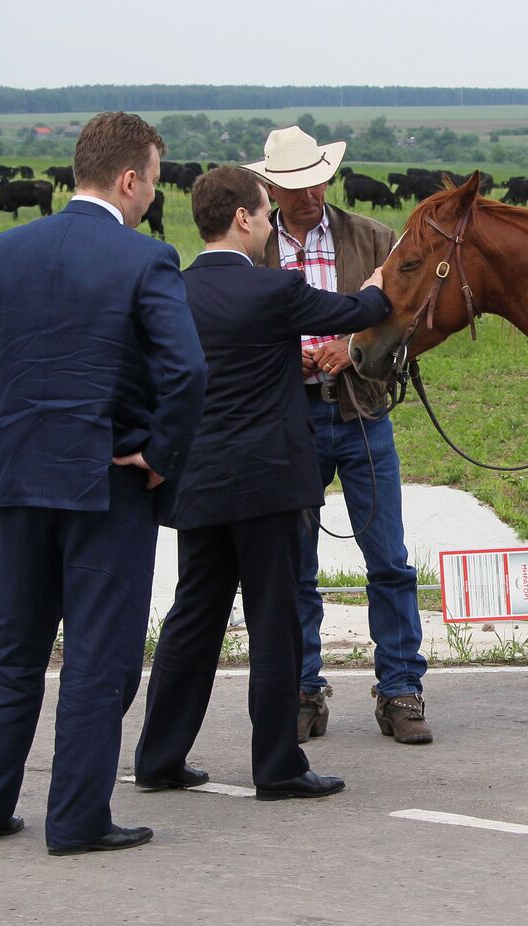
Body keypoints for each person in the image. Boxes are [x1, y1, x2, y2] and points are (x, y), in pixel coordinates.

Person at [0, 111, 207, 856]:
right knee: (101, 654)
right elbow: (187, 371)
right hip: (107, 481)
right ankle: (77, 818)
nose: (153, 198)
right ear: (130, 179)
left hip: (21, 474)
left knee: (12, 643)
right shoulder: (145, 260)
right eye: (153, 183)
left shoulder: (7, 250)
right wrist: (159, 453)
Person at [133, 167, 392, 800]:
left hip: (200, 480)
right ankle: (276, 765)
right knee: (274, 621)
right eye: (265, 215)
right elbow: (358, 309)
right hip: (270, 482)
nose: (272, 224)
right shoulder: (275, 291)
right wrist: (385, 278)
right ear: (244, 218)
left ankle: (159, 756)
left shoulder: (176, 291)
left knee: (193, 617)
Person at [248, 126, 432, 744]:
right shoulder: (254, 247)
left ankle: (401, 689)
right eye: (294, 185)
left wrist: (351, 350)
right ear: (272, 186)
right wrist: (284, 358)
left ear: (328, 177)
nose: (307, 194)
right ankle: (303, 690)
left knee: (389, 560)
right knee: (294, 563)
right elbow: (237, 325)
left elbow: (407, 315)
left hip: (362, 414)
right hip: (288, 418)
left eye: (315, 181)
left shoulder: (372, 238)